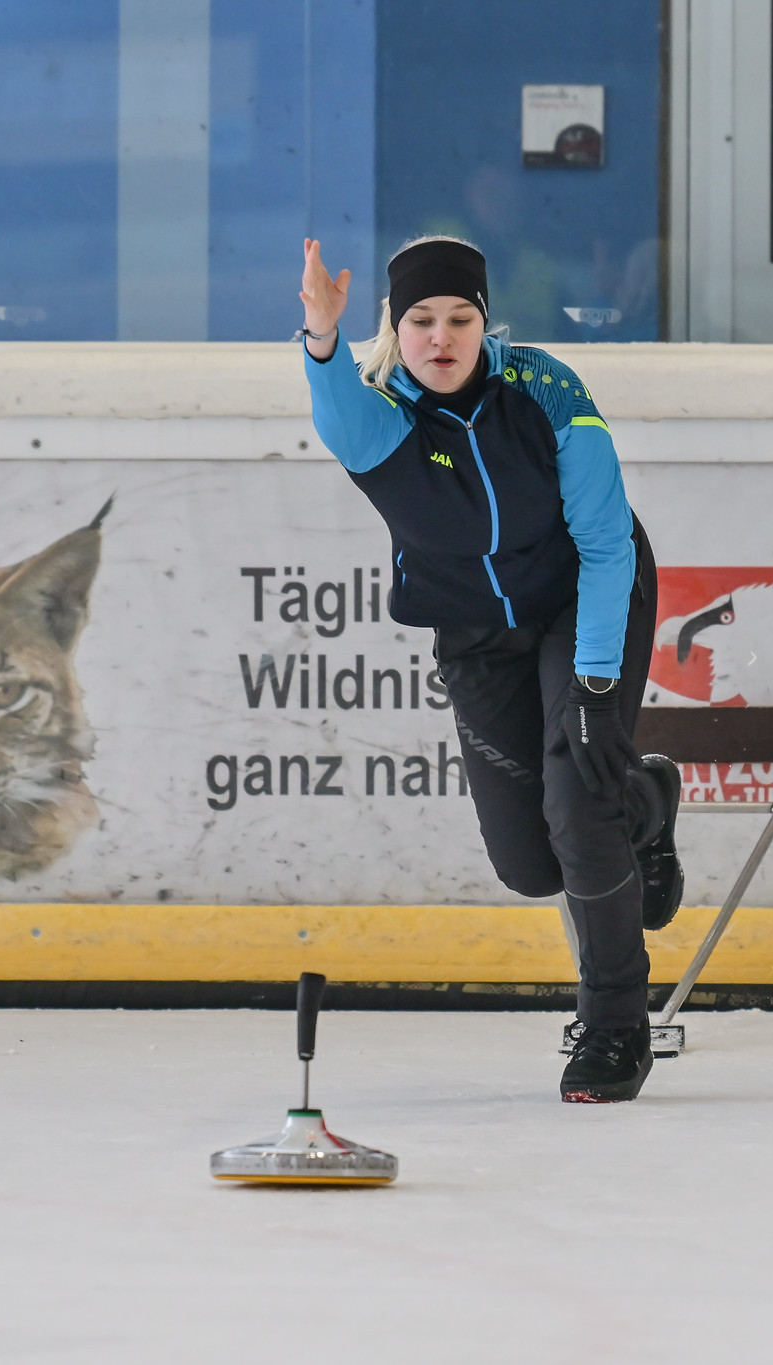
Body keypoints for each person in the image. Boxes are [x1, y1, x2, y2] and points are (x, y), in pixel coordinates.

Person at [297, 234, 683, 1102]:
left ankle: (616, 1024)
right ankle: (648, 802)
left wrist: (593, 687)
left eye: (460, 319)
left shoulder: (545, 390)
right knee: (531, 865)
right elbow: (332, 398)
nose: (441, 337)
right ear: (395, 328)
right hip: (474, 631)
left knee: (580, 801)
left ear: (484, 323)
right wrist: (321, 335)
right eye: (421, 320)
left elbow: (606, 543)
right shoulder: (378, 417)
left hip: (584, 596)